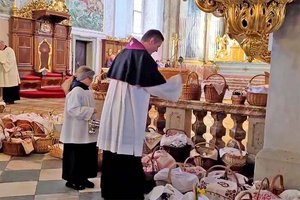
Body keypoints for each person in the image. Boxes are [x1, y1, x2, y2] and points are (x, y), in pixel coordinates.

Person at [97, 29, 182, 199]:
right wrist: (175, 84)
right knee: (127, 153)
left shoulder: (124, 53)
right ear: (151, 40)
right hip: (129, 114)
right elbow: (154, 86)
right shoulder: (141, 57)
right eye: (157, 46)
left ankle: (110, 190)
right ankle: (129, 192)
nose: (156, 50)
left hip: (114, 113)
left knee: (113, 152)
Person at [60, 66, 98, 191]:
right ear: (83, 77)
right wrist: (91, 111)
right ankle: (73, 180)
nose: (91, 80)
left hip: (85, 130)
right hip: (75, 131)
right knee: (76, 157)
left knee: (86, 156)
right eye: (89, 77)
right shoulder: (76, 91)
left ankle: (83, 178)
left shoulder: (86, 90)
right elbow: (73, 109)